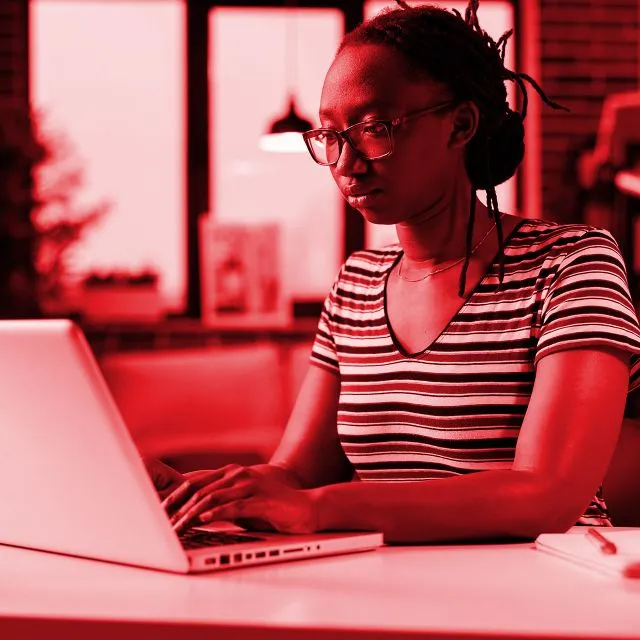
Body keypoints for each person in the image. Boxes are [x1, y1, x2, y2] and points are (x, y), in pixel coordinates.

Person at [147, 0, 640, 543]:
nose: (346, 163)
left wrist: (318, 509)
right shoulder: (356, 284)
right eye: (331, 136)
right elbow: (296, 475)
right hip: (391, 590)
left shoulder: (570, 265)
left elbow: (544, 496)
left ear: (461, 125)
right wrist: (205, 490)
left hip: (554, 601)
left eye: (374, 127)